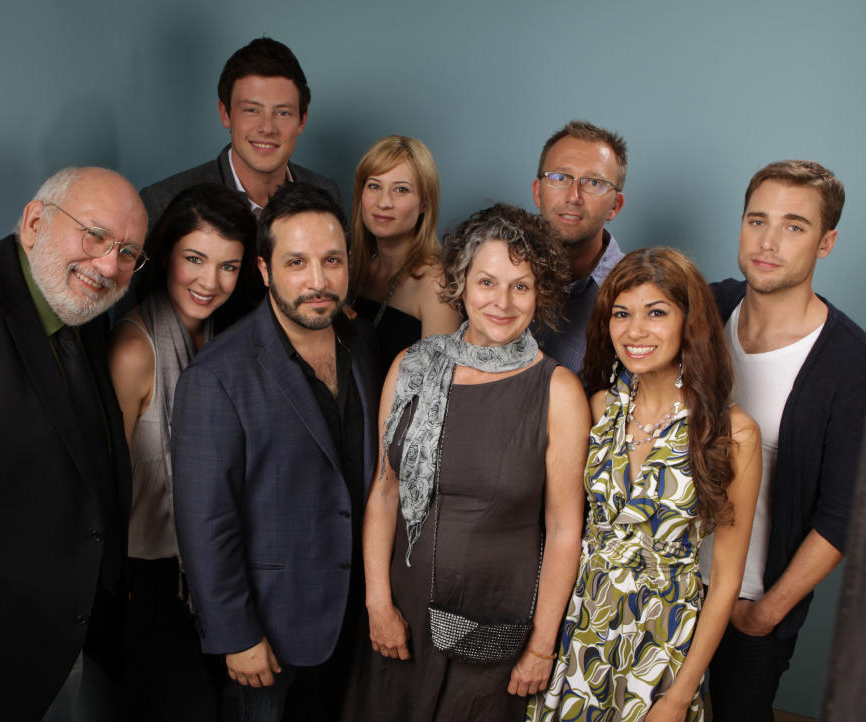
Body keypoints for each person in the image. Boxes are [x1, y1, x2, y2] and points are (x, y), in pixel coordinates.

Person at [0, 167, 147, 721]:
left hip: (57, 658)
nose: (109, 266)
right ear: (35, 221)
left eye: (129, 252)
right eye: (95, 235)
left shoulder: (81, 312)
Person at [343, 204, 590, 721]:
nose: (502, 302)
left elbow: (565, 528)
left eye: (520, 286)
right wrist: (377, 604)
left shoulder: (558, 391)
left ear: (540, 293)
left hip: (495, 619)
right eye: (487, 282)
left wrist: (542, 646)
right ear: (460, 281)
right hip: (402, 615)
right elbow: (385, 491)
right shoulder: (411, 366)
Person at [170, 182, 378, 721]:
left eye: (331, 260)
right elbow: (205, 522)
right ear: (264, 271)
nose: (317, 281)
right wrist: (235, 634)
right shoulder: (217, 376)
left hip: (359, 624)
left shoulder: (363, 348)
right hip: (270, 634)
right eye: (296, 263)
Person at [529, 248, 762, 721]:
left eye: (656, 312)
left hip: (663, 644)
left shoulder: (733, 434)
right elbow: (561, 531)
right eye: (621, 314)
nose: (635, 332)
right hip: (580, 628)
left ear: (689, 321)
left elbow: (725, 582)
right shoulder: (596, 409)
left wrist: (679, 695)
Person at [701, 160, 866, 721]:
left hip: (750, 606)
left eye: (794, 225)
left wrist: (767, 613)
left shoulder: (848, 363)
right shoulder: (703, 309)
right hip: (663, 586)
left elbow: (841, 513)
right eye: (757, 220)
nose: (768, 242)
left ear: (827, 242)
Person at [107, 184, 256, 720]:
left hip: (208, 566)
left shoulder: (220, 335)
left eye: (228, 266)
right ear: (167, 253)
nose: (209, 282)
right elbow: (107, 485)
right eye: (195, 259)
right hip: (146, 578)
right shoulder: (133, 350)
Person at [137, 38, 343, 327]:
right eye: (251, 110)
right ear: (225, 113)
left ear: (302, 120)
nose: (267, 128)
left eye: (283, 113)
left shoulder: (326, 193)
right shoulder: (164, 201)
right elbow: (136, 321)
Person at [348, 135, 462, 375]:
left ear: (424, 203)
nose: (384, 202)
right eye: (374, 186)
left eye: (401, 189)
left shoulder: (436, 283)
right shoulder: (351, 269)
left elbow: (436, 391)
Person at [531, 120, 627, 375]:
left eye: (594, 182)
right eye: (560, 178)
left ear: (615, 206)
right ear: (538, 192)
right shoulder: (495, 277)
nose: (574, 196)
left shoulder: (638, 291)